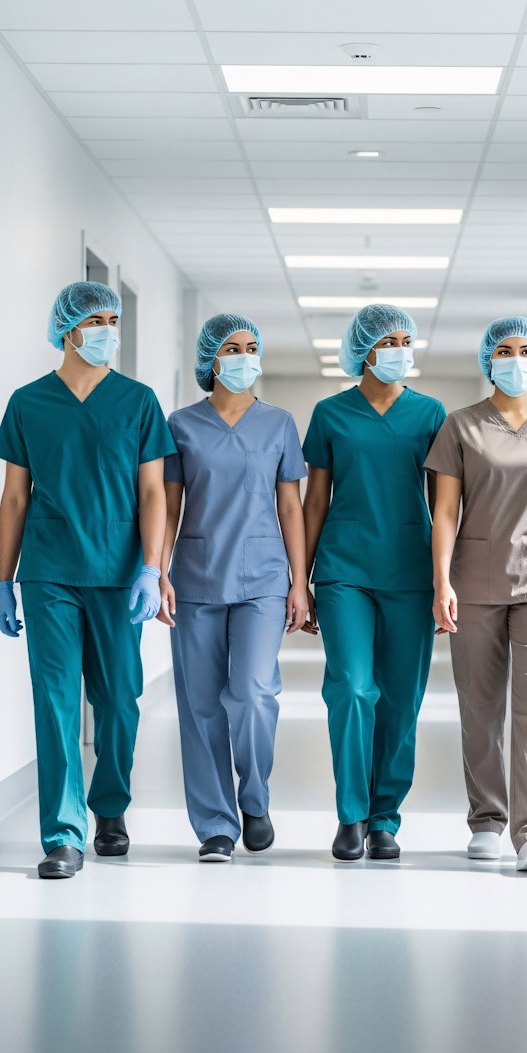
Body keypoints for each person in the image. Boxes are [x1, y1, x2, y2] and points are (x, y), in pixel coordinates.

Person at [0, 281, 175, 879]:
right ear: (68, 329)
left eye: (113, 319)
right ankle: (62, 835)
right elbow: (15, 497)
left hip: (120, 574)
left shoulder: (138, 400)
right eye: (97, 319)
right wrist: (4, 580)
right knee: (55, 702)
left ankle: (110, 808)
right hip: (49, 574)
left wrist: (152, 568)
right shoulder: (28, 403)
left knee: (120, 700)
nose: (107, 330)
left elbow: (153, 492)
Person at [427, 316, 527, 872]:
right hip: (475, 580)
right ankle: (487, 819)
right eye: (505, 350)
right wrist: (441, 579)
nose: (516, 359)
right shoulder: (460, 427)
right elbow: (444, 510)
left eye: (526, 350)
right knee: (480, 704)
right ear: (487, 360)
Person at [158, 314, 309, 863]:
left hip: (264, 579)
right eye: (232, 348)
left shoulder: (279, 424)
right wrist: (158, 571)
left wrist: (300, 581)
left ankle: (255, 796)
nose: (245, 356)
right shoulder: (180, 424)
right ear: (211, 360)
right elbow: (168, 506)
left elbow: (290, 504)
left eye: (252, 346)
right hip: (196, 575)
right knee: (201, 705)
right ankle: (216, 825)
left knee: (252, 692)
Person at [302, 304, 446, 862]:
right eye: (390, 340)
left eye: (407, 340)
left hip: (410, 569)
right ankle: (351, 815)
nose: (401, 350)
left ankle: (386, 816)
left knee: (402, 699)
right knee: (354, 689)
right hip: (343, 570)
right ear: (363, 348)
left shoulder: (430, 413)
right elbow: (316, 498)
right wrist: (302, 578)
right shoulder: (330, 413)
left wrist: (443, 577)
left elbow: (445, 504)